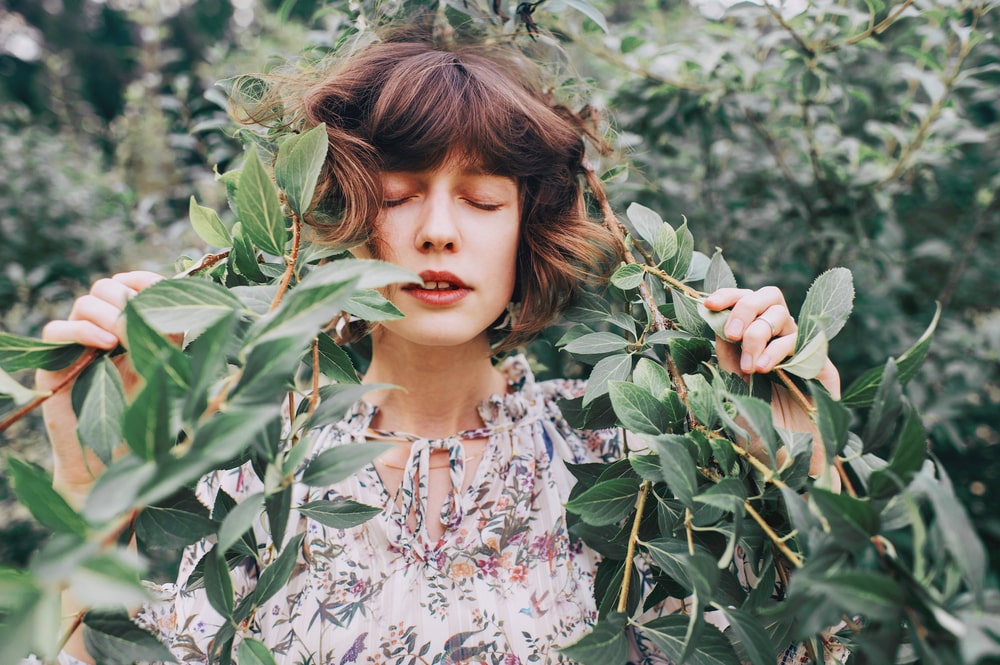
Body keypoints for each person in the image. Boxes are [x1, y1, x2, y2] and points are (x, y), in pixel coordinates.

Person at [36, 22, 842, 665]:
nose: (439, 233)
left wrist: (807, 461)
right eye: (399, 193)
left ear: (529, 227)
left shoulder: (629, 466)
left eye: (483, 198)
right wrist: (94, 485)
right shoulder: (243, 470)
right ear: (341, 218)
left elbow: (797, 643)